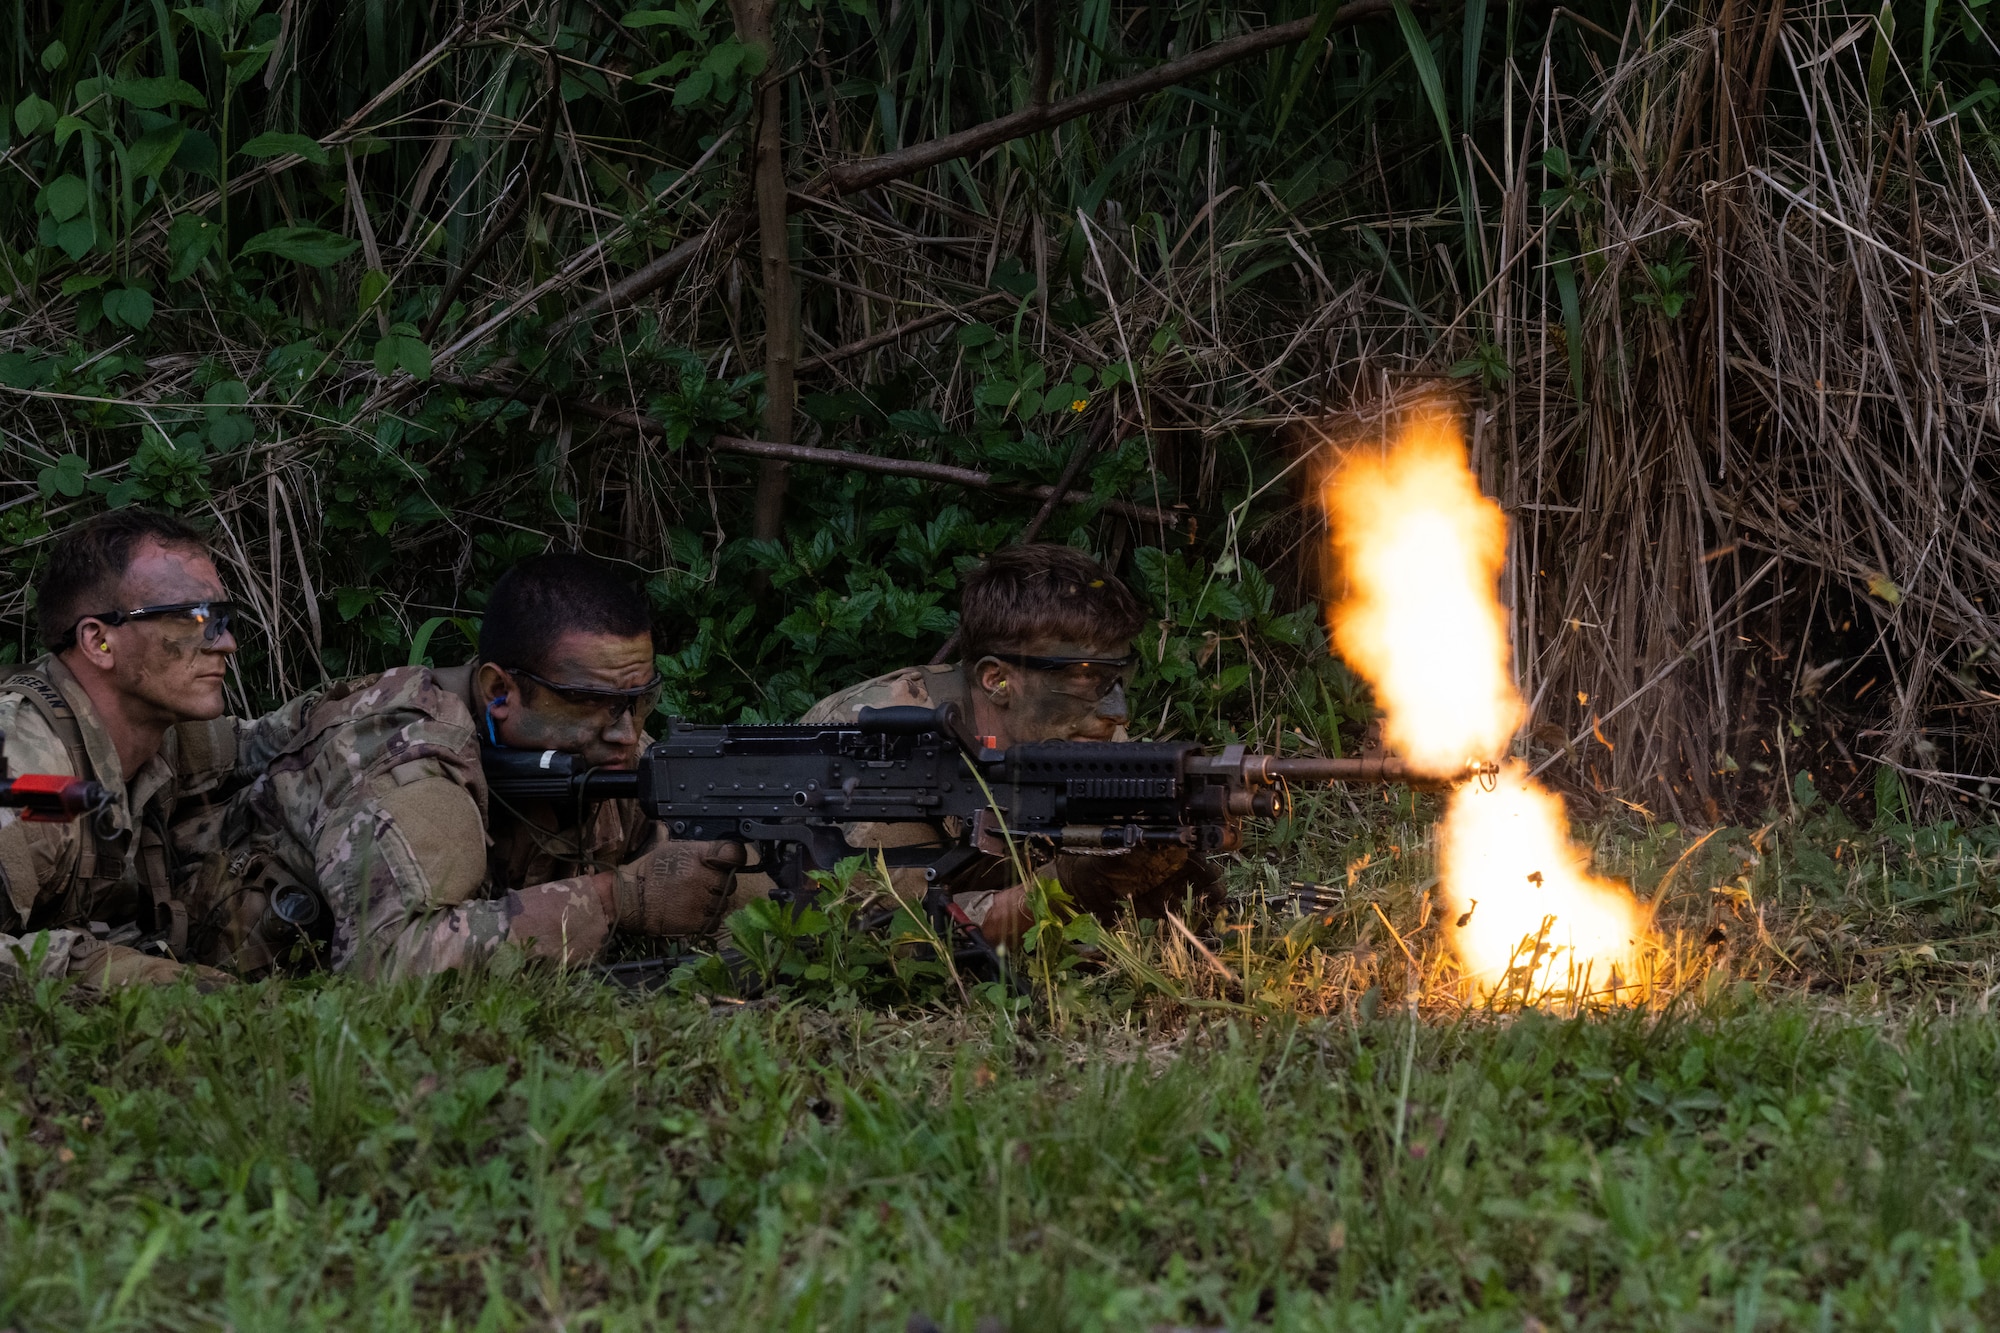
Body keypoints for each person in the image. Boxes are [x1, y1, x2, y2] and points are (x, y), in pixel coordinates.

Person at [217, 553, 744, 979]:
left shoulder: (603, 742)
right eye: (593, 703)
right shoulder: (408, 756)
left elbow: (685, 870)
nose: (627, 734)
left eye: (639, 700)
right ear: (499, 692)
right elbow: (388, 961)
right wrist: (614, 899)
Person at [799, 544, 1214, 947]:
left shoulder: (1079, 730)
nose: (1117, 713)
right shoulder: (885, 738)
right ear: (997, 680)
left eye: (1119, 678)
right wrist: (1070, 886)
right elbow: (890, 932)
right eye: (1086, 678)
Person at [0, 509, 298, 991]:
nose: (226, 643)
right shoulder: (31, 775)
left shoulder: (165, 734)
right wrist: (138, 979)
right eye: (191, 618)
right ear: (99, 642)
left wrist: (445, 691)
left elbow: (282, 735)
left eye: (220, 618)